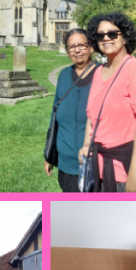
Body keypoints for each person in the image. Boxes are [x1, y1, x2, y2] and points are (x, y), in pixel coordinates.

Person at [78, 12, 136, 192]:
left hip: (125, 171)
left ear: (124, 37)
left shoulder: (134, 68)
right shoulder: (98, 72)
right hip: (99, 170)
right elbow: (92, 117)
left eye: (112, 33)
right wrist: (86, 145)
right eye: (100, 35)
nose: (106, 38)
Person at [44, 28, 97, 192]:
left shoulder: (103, 75)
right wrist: (49, 156)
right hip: (66, 165)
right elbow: (55, 117)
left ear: (91, 47)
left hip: (94, 165)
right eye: (72, 46)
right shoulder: (64, 76)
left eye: (82, 44)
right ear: (67, 51)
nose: (77, 50)